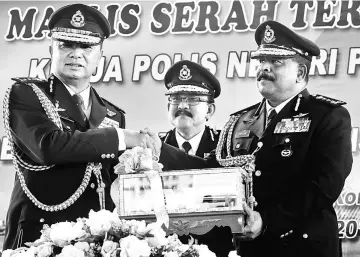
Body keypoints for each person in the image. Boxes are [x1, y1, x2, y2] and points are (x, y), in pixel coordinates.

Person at [144, 20, 353, 257]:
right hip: (252, 250)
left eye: (276, 62)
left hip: (303, 248)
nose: (265, 67)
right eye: (261, 61)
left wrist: (266, 221)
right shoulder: (240, 120)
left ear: (301, 72)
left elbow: (323, 188)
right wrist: (161, 150)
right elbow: (211, 170)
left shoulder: (327, 116)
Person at [2, 3, 156, 250]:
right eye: (66, 44)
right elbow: (49, 147)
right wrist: (121, 137)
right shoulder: (26, 94)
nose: (76, 53)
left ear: (100, 56)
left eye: (86, 46)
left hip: (95, 240)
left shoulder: (113, 113)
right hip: (39, 237)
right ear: (51, 50)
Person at [160, 60, 234, 257]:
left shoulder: (225, 148)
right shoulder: (152, 148)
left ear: (209, 110)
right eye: (176, 98)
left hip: (216, 248)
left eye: (193, 99)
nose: (182, 105)